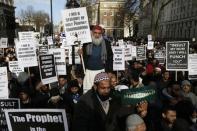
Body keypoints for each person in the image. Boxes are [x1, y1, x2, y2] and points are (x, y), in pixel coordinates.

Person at [80, 25, 113, 92]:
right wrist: (81, 53)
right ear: (92, 33)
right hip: (89, 72)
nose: (97, 35)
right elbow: (83, 59)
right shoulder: (86, 43)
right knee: (88, 92)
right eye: (95, 33)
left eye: (99, 33)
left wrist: (109, 71)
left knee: (101, 91)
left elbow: (110, 58)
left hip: (102, 71)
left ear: (101, 34)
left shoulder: (106, 43)